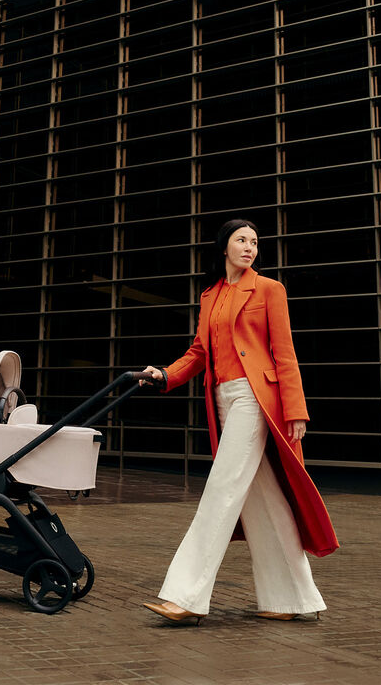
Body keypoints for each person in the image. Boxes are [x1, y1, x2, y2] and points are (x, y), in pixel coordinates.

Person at [141, 218, 339, 624]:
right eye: (241, 240)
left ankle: (186, 597)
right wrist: (166, 374)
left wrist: (296, 409)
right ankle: (292, 599)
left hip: (255, 399)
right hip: (223, 400)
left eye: (254, 241)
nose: (249, 247)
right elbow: (199, 352)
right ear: (224, 247)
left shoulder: (269, 290)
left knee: (221, 489)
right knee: (264, 501)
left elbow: (284, 352)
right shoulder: (210, 295)